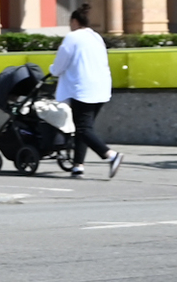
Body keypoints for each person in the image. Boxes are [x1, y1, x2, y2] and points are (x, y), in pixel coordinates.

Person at [50, 3, 125, 179]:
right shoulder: (96, 37)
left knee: (83, 128)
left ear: (74, 21)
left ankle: (110, 155)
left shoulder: (72, 37)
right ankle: (78, 165)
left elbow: (60, 63)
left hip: (82, 88)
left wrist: (53, 71)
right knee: (84, 127)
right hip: (101, 87)